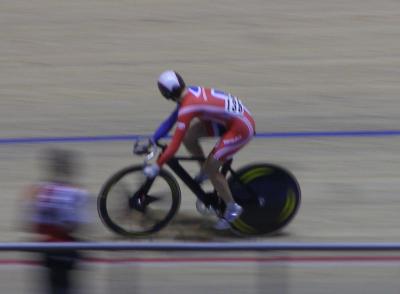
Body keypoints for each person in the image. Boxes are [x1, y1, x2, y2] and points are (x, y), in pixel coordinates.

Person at [143, 70, 256, 230]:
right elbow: (170, 121)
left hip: (241, 129)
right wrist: (152, 140)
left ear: (166, 94)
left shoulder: (188, 107)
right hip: (230, 120)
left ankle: (232, 208)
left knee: (212, 169)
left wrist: (157, 166)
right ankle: (205, 171)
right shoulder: (189, 93)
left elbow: (174, 144)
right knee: (189, 137)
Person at [23, 148, 89, 294]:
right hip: (67, 248)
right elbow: (78, 224)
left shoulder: (37, 190)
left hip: (47, 249)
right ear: (70, 169)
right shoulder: (77, 192)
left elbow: (32, 224)